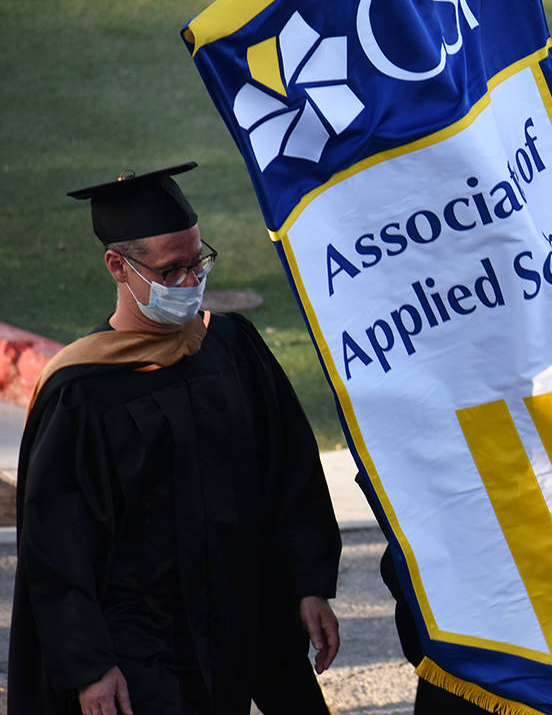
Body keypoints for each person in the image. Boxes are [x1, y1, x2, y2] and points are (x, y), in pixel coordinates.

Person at [8, 162, 343, 715]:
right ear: (119, 266)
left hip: (245, 611)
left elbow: (291, 468)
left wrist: (309, 581)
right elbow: (56, 545)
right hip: (143, 642)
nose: (191, 282)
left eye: (198, 262)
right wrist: (90, 665)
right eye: (171, 272)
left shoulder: (230, 346)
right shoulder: (83, 391)